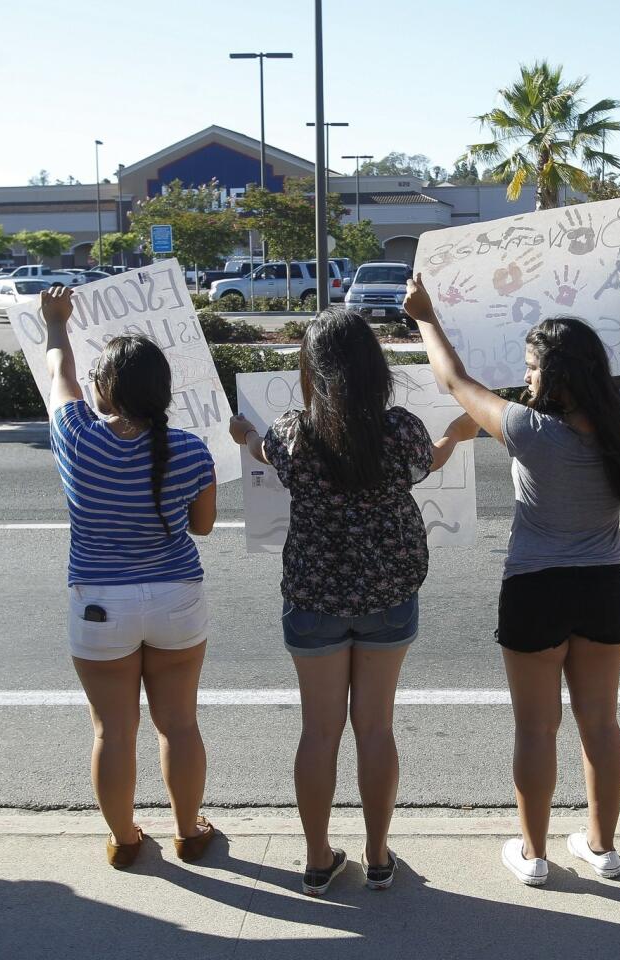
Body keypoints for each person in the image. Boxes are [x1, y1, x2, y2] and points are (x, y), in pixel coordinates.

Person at [403, 249, 620, 886]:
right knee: (600, 722)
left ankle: (535, 853)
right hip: (604, 587)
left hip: (534, 589)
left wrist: (424, 318)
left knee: (535, 726)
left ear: (550, 375)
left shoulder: (525, 428)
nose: (524, 378)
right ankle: (602, 848)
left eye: (529, 367)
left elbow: (454, 382)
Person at [230, 307, 477, 896]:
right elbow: (430, 461)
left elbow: (264, 450)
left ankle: (318, 860)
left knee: (319, 732)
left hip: (313, 597)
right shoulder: (400, 430)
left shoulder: (294, 432)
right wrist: (456, 435)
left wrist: (244, 435)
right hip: (388, 594)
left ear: (312, 371)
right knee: (376, 728)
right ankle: (377, 855)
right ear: (374, 368)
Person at [41, 284, 219, 868]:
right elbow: (203, 528)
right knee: (179, 725)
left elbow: (58, 369)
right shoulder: (191, 450)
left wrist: (56, 323)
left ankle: (124, 839)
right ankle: (190, 832)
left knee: (111, 733)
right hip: (175, 599)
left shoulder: (76, 436)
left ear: (104, 389)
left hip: (100, 603)